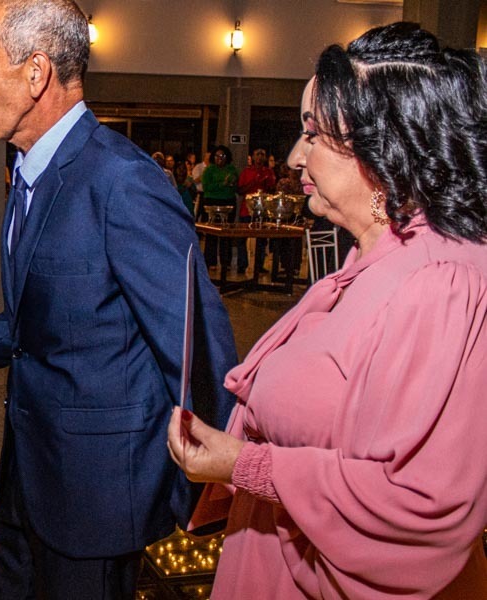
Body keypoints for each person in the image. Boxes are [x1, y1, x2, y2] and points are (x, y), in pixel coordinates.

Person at [0, 1, 237, 598]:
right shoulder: (30, 170)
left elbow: (196, 341)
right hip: (24, 476)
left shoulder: (121, 180)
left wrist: (197, 483)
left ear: (36, 73)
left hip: (97, 500)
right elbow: (34, 322)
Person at [168, 22, 487, 599]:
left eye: (312, 134)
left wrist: (243, 464)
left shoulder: (441, 279)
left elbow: (414, 510)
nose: (294, 156)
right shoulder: (374, 255)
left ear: (384, 147)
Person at [201, 145, 238, 270]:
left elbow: (233, 184)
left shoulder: (231, 169)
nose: (219, 158)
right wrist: (223, 184)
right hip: (212, 202)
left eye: (222, 156)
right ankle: (210, 261)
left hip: (228, 202)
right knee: (212, 233)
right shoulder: (209, 170)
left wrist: (223, 185)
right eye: (217, 156)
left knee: (226, 232)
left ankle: (225, 262)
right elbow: (207, 187)